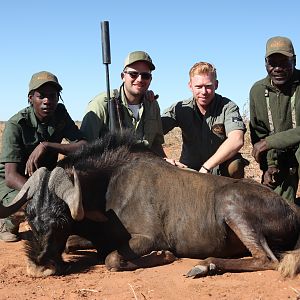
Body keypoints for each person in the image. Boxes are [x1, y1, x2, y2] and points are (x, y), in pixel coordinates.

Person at [0, 71, 87, 242]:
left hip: (45, 177)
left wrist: (47, 146)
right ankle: (8, 221)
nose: (48, 101)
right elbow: (10, 177)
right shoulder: (16, 124)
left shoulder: (60, 114)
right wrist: (41, 194)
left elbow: (84, 146)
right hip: (13, 182)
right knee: (33, 206)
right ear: (31, 98)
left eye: (53, 96)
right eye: (41, 96)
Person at [161, 61, 247, 178]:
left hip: (218, 170)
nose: (204, 92)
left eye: (208, 86)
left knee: (235, 165)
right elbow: (153, 131)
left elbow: (237, 139)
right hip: (188, 169)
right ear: (190, 86)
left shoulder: (228, 107)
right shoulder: (180, 108)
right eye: (198, 87)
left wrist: (207, 167)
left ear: (216, 85)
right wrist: (164, 159)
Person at [80, 51, 165, 156]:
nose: (139, 79)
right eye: (133, 74)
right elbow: (84, 148)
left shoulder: (152, 104)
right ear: (123, 76)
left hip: (145, 168)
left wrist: (166, 162)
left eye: (145, 75)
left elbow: (155, 144)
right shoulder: (101, 104)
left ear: (150, 79)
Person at [250, 36, 300, 203]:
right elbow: (259, 133)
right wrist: (269, 166)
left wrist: (270, 142)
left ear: (294, 60)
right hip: (280, 159)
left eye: (284, 62)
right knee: (277, 210)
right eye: (273, 63)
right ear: (265, 63)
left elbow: (265, 141)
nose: (278, 68)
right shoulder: (258, 91)